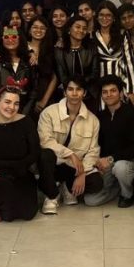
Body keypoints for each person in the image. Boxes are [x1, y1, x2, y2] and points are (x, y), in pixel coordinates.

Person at [0, 87, 41, 223]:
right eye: (7, 102)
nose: (12, 107)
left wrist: (12, 168)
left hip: (20, 172)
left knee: (28, 214)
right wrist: (3, 170)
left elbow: (34, 153)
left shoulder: (26, 122)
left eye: (16, 103)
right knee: (8, 210)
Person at [37, 76, 104, 214]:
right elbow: (45, 141)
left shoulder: (93, 120)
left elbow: (93, 151)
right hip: (53, 164)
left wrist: (83, 172)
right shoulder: (49, 113)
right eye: (70, 89)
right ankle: (51, 195)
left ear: (84, 93)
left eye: (78, 89)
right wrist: (70, 154)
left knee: (96, 182)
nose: (74, 93)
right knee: (45, 155)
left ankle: (67, 188)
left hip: (73, 168)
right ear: (64, 92)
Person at [85, 76, 134, 207]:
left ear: (121, 93)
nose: (109, 95)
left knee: (120, 168)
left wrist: (112, 158)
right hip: (107, 163)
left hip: (128, 161)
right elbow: (98, 144)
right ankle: (117, 188)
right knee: (90, 200)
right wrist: (98, 162)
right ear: (101, 96)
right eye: (105, 92)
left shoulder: (132, 113)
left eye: (113, 91)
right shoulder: (100, 117)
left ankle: (127, 195)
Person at [0, 26, 38, 116]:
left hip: (23, 112)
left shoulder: (29, 61)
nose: (10, 40)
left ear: (20, 38)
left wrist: (24, 113)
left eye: (14, 36)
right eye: (6, 37)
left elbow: (34, 91)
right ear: (1, 39)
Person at [92, 1, 134, 105]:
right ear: (97, 17)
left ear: (113, 18)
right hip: (99, 83)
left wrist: (132, 90)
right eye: (101, 15)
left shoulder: (122, 34)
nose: (105, 18)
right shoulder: (92, 35)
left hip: (121, 79)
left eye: (108, 15)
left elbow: (129, 62)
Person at [53, 16, 98, 99]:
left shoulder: (91, 48)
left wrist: (80, 86)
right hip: (67, 92)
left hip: (89, 92)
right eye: (77, 27)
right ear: (69, 29)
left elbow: (94, 72)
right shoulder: (59, 50)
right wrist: (73, 88)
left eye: (84, 28)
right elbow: (61, 75)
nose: (81, 30)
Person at [26, 16, 58, 113]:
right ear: (29, 30)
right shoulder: (22, 47)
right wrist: (29, 53)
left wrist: (44, 101)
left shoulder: (52, 50)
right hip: (24, 96)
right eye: (35, 27)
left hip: (45, 96)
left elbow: (55, 78)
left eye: (42, 28)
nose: (38, 30)